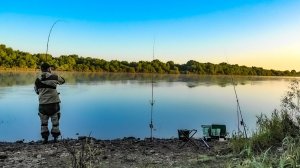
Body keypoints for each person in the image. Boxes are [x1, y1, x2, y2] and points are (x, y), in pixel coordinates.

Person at [34, 62, 65, 143]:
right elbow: (63, 81)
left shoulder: (37, 80)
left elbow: (36, 91)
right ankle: (55, 138)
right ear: (48, 69)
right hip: (53, 104)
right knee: (55, 121)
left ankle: (45, 139)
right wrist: (53, 76)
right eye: (50, 68)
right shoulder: (54, 77)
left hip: (42, 105)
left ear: (41, 69)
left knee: (43, 123)